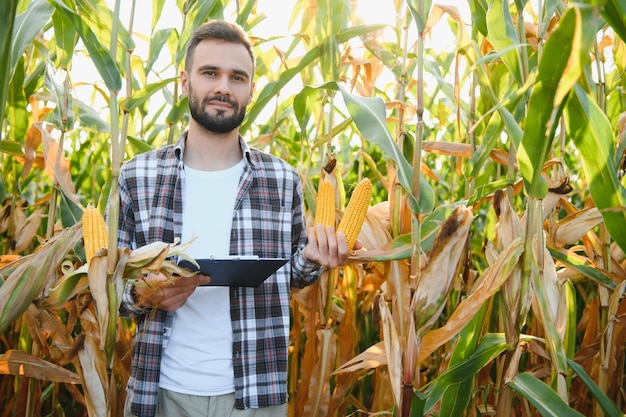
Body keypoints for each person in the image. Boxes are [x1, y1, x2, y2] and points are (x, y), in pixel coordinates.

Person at [116, 20, 355, 417]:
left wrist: (313, 259)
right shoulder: (137, 177)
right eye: (210, 73)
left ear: (250, 90)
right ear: (185, 81)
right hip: (160, 392)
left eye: (237, 77)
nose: (223, 87)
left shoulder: (281, 180)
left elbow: (287, 276)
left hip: (256, 394)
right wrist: (146, 295)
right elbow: (108, 291)